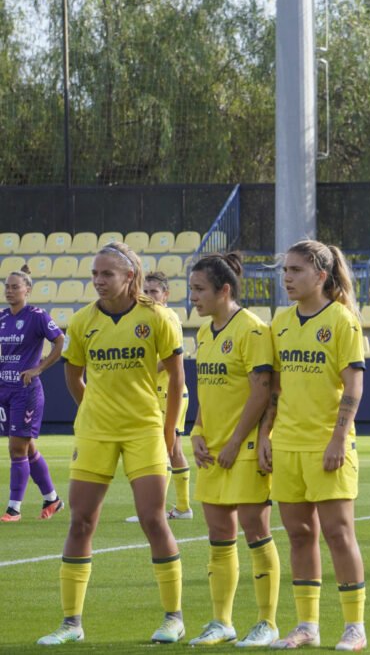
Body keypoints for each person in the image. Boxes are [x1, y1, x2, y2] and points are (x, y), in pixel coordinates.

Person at [38, 242, 186, 645]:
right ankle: (71, 624)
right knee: (81, 521)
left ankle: (174, 617)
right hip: (95, 433)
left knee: (152, 519)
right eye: (94, 274)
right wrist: (93, 411)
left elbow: (177, 380)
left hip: (143, 430)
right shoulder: (83, 321)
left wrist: (169, 431)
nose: (98, 281)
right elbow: (73, 375)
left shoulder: (156, 318)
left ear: (129, 277)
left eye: (107, 274)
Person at [264, 240, 367, 651]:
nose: (286, 278)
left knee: (339, 534)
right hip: (286, 445)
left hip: (327, 446)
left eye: (295, 271)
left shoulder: (342, 321)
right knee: (299, 534)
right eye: (285, 271)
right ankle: (307, 625)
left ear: (321, 276)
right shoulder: (281, 322)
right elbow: (274, 387)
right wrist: (264, 436)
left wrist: (339, 437)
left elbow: (354, 384)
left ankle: (354, 627)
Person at [186, 253, 281, 647]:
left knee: (256, 531)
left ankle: (267, 623)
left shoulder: (254, 331)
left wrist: (238, 441)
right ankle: (221, 621)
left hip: (241, 449)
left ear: (224, 290)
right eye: (191, 289)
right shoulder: (204, 334)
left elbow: (263, 391)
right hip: (213, 451)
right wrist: (196, 430)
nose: (193, 297)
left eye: (199, 289)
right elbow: (208, 393)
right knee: (219, 535)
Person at [0, 266, 65, 522]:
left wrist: (39, 367)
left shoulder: (37, 316)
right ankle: (52, 498)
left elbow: (60, 341)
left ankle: (14, 508)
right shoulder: (3, 318)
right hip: (4, 389)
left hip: (25, 392)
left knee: (16, 449)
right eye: (7, 286)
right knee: (26, 449)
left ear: (28, 290)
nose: (9, 290)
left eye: (15, 286)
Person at [126, 272, 192, 522]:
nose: (148, 296)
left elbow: (169, 361)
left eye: (154, 291)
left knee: (162, 449)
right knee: (174, 449)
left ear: (165, 295)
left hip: (168, 393)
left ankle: (156, 512)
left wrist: (141, 371)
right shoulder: (147, 318)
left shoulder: (168, 318)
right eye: (145, 291)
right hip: (162, 393)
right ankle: (183, 508)